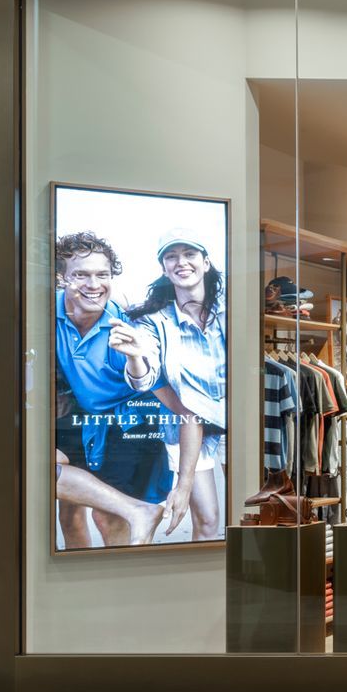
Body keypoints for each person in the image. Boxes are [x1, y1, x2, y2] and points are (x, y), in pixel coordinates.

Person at [52, 232, 174, 547]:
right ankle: (80, 583)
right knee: (59, 500)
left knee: (109, 518)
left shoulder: (124, 321)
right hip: (81, 417)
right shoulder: (44, 312)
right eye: (82, 274)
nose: (94, 284)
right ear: (61, 278)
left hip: (131, 423)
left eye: (102, 275)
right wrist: (58, 388)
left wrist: (135, 356)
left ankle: (126, 585)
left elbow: (143, 379)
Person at [125, 227, 227, 541]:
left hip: (235, 421)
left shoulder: (231, 311)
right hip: (189, 424)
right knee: (208, 521)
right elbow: (146, 379)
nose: (181, 262)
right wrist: (135, 356)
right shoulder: (153, 322)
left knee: (249, 510)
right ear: (164, 268)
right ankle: (202, 588)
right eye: (171, 256)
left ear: (206, 262)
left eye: (189, 254)